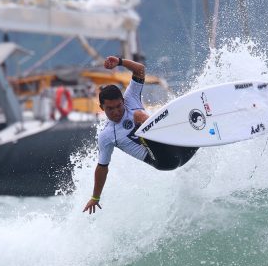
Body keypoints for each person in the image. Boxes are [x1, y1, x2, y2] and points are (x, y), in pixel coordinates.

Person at [83, 56, 199, 214]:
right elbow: (102, 167)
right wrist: (95, 197)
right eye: (110, 109)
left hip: (180, 150)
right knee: (139, 116)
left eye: (118, 106)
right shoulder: (107, 135)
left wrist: (120, 62)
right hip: (164, 160)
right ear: (102, 108)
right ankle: (172, 133)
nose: (116, 112)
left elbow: (140, 70)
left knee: (193, 121)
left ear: (123, 101)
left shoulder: (131, 98)